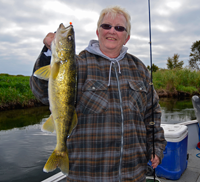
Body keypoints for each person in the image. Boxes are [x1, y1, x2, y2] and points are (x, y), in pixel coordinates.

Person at [30, 6, 166, 182]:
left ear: (127, 37)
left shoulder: (139, 68)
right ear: (98, 31)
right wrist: (49, 52)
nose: (112, 31)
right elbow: (41, 91)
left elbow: (152, 114)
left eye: (119, 28)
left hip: (134, 174)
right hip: (87, 175)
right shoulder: (77, 64)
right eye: (106, 26)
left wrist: (156, 147)